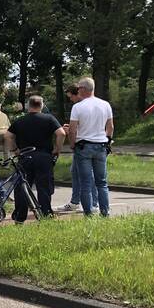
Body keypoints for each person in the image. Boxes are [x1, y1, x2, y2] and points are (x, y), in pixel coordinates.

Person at [4, 95, 65, 222]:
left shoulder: (20, 120)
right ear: (41, 105)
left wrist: (15, 150)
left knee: (22, 187)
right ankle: (46, 214)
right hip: (44, 157)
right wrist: (57, 149)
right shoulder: (49, 119)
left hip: (25, 156)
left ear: (28, 106)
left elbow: (8, 136)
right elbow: (61, 133)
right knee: (44, 187)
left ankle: (20, 216)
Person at [68, 76, 113, 217]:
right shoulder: (105, 104)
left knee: (85, 182)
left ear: (82, 89)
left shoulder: (77, 107)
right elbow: (110, 126)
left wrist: (72, 144)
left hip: (83, 146)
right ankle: (105, 212)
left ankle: (88, 214)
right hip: (101, 146)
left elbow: (73, 129)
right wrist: (108, 140)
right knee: (102, 182)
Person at [56, 85, 97, 213]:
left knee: (88, 175)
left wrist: (72, 134)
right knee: (75, 171)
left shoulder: (80, 107)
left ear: (77, 93)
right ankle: (75, 202)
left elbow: (88, 128)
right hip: (88, 144)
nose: (70, 100)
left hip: (85, 145)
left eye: (71, 97)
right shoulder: (88, 105)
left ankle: (93, 204)